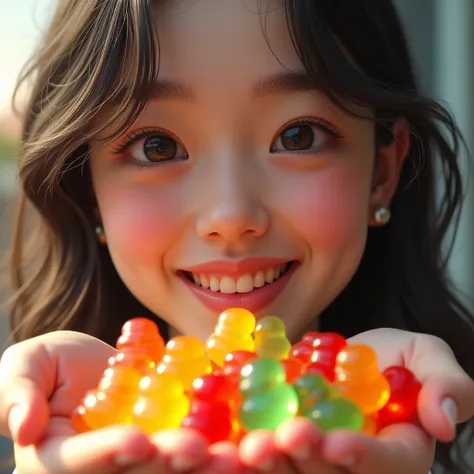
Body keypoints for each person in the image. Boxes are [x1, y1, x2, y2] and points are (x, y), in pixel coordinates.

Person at [0, 0, 473, 472]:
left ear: (381, 175)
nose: (231, 215)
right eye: (156, 146)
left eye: (298, 136)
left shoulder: (399, 427)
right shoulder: (62, 434)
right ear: (89, 191)